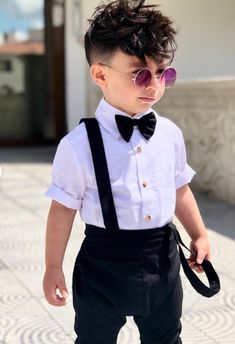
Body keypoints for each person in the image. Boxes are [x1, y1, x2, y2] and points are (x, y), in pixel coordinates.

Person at [43, 1, 212, 343]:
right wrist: (52, 266)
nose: (155, 86)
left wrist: (199, 233)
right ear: (101, 74)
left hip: (161, 256)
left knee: (166, 337)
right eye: (140, 75)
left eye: (163, 73)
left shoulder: (169, 134)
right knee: (94, 338)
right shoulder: (77, 146)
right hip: (103, 261)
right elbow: (63, 208)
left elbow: (179, 188)